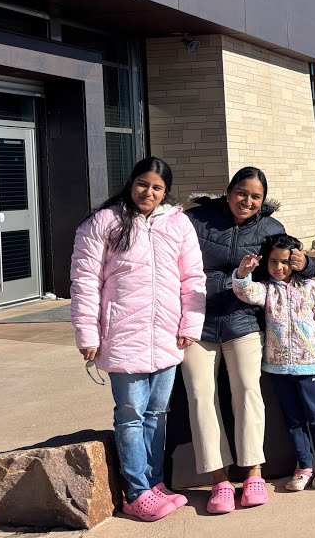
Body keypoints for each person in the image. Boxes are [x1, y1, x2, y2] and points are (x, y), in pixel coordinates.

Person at [70, 157, 207, 522]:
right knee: (130, 415)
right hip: (122, 335)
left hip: (166, 336)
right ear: (131, 183)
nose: (149, 192)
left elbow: (193, 277)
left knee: (157, 413)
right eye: (143, 184)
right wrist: (88, 332)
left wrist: (189, 325)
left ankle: (155, 482)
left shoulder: (178, 224)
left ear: (166, 192)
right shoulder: (104, 222)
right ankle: (136, 492)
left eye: (158, 187)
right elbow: (85, 282)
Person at [183, 167, 315, 514]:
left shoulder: (270, 229)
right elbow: (180, 270)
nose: (248, 201)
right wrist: (229, 280)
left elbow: (285, 267)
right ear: (228, 192)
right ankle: (219, 480)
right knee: (200, 396)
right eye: (242, 193)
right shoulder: (196, 221)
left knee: (247, 390)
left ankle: (253, 472)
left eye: (255, 196)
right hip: (197, 322)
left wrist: (307, 265)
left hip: (243, 322)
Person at [233, 234, 315, 492]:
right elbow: (245, 291)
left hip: (311, 365)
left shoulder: (312, 289)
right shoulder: (267, 290)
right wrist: (243, 272)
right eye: (273, 262)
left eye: (284, 262)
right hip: (279, 367)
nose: (278, 267)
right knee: (293, 419)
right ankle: (303, 466)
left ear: (296, 261)